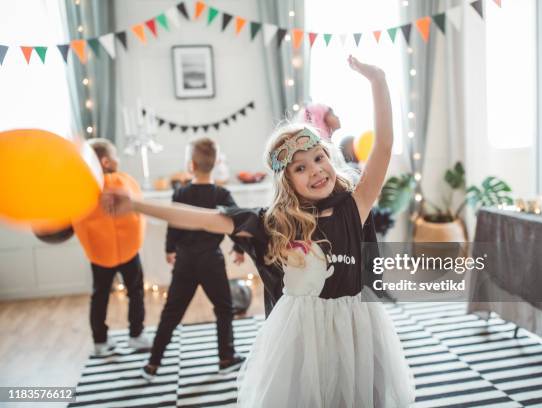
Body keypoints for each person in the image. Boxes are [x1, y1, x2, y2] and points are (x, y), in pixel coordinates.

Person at [102, 56, 415, 407]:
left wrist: (378, 80)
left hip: (356, 331)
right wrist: (136, 205)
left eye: (319, 158)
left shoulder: (352, 207)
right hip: (299, 339)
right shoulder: (272, 224)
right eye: (300, 167)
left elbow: (384, 146)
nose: (315, 170)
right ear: (287, 180)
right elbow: (201, 218)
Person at [141, 138, 246, 380]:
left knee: (172, 312)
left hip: (186, 261)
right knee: (224, 309)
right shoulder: (222, 194)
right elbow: (237, 222)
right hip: (211, 260)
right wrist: (239, 248)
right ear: (217, 162)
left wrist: (170, 249)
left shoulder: (181, 192)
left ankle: (153, 363)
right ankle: (226, 357)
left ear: (191, 166)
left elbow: (174, 223)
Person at [72, 138, 151, 355]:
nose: (118, 160)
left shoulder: (83, 187)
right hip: (128, 251)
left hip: (100, 253)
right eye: (116, 156)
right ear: (106, 161)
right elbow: (137, 205)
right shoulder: (122, 181)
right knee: (135, 292)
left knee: (100, 296)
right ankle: (136, 335)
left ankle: (100, 341)